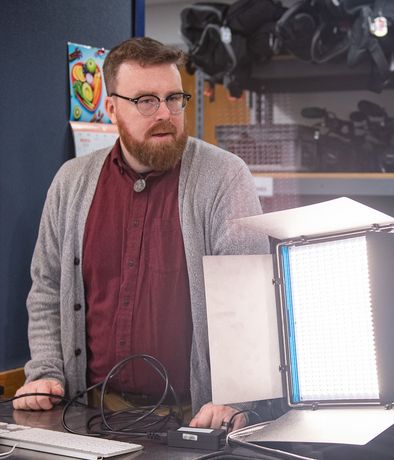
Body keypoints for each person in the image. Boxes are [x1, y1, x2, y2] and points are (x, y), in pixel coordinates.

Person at [13, 37, 268, 430]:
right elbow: (47, 286)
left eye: (174, 98)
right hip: (90, 412)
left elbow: (248, 299)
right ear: (111, 107)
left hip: (195, 417)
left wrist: (235, 397)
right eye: (146, 101)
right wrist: (45, 371)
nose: (165, 113)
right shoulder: (72, 182)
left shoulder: (224, 177)